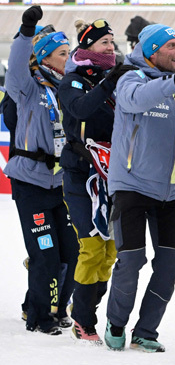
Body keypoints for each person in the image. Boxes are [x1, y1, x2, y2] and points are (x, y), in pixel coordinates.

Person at [104, 23, 175, 353]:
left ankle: (146, 330)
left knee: (169, 266)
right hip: (132, 186)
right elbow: (135, 100)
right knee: (131, 261)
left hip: (174, 190)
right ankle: (117, 323)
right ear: (152, 51)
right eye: (172, 46)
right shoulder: (130, 77)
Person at [58, 18, 136, 345]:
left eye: (112, 42)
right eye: (104, 43)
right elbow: (82, 109)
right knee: (91, 247)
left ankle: (84, 302)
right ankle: (83, 318)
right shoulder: (73, 80)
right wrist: (108, 84)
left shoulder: (114, 78)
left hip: (113, 172)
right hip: (81, 172)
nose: (110, 48)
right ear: (87, 47)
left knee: (112, 248)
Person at [4, 5, 77, 335]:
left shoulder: (72, 91)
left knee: (71, 253)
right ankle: (39, 316)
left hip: (62, 185)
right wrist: (26, 30)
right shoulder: (28, 88)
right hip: (30, 183)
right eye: (64, 54)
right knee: (45, 254)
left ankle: (59, 308)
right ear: (46, 58)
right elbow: (18, 65)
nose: (69, 59)